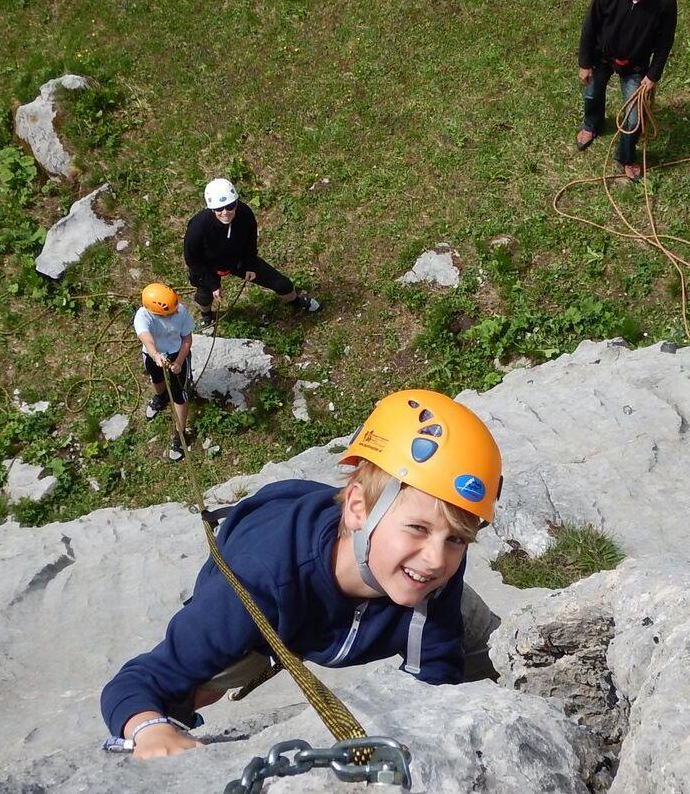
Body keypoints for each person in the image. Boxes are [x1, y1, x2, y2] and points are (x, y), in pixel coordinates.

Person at [101, 388, 503, 759]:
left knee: (470, 630)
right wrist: (151, 730)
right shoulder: (257, 581)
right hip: (271, 578)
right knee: (201, 681)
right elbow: (136, 683)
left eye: (457, 539)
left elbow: (436, 672)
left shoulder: (431, 567)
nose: (436, 558)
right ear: (359, 509)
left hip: (348, 572)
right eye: (417, 528)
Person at [576, 0, 678, 183]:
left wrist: (653, 75)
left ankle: (626, 157)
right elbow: (589, 27)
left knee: (634, 120)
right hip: (603, 56)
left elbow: (665, 42)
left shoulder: (664, 1)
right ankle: (592, 125)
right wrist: (585, 63)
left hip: (636, 64)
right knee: (592, 94)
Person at [183, 178, 321, 330]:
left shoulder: (245, 213)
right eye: (219, 209)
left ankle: (296, 302)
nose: (225, 213)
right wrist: (213, 284)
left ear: (236, 203)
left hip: (239, 260)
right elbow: (193, 260)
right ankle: (207, 315)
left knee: (283, 284)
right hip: (208, 266)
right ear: (211, 209)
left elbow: (250, 241)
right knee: (204, 296)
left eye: (230, 206)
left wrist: (250, 265)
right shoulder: (197, 227)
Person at [135, 283, 196, 461]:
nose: (174, 313)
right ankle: (161, 397)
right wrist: (155, 355)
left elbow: (187, 339)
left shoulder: (180, 310)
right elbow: (146, 338)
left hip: (178, 353)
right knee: (156, 377)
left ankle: (180, 433)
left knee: (179, 394)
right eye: (169, 312)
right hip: (154, 354)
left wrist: (179, 361)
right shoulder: (143, 316)